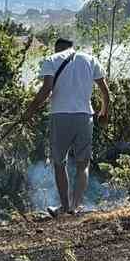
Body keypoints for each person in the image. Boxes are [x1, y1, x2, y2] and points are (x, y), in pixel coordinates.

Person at [24, 37, 110, 216]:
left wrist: (29, 112)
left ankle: (63, 206)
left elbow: (46, 89)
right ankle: (75, 206)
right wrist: (103, 112)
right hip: (84, 116)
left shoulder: (52, 60)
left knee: (59, 162)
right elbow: (105, 90)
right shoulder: (89, 59)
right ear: (72, 47)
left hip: (59, 115)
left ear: (57, 48)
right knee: (82, 164)